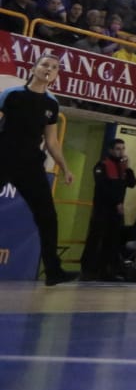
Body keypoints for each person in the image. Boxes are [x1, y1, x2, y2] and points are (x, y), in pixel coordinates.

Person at [0, 54, 73, 284]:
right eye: (45, 65)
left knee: (48, 216)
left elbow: (51, 141)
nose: (48, 69)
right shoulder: (11, 95)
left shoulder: (52, 103)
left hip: (31, 163)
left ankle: (53, 271)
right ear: (34, 68)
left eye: (54, 67)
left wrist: (65, 167)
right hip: (3, 157)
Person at [82, 136, 136, 279]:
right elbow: (103, 188)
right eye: (118, 149)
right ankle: (89, 270)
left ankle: (107, 270)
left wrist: (127, 168)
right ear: (111, 150)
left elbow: (132, 183)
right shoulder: (102, 165)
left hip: (116, 212)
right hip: (103, 209)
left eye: (123, 148)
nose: (121, 152)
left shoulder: (122, 168)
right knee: (96, 239)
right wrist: (117, 202)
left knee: (112, 241)